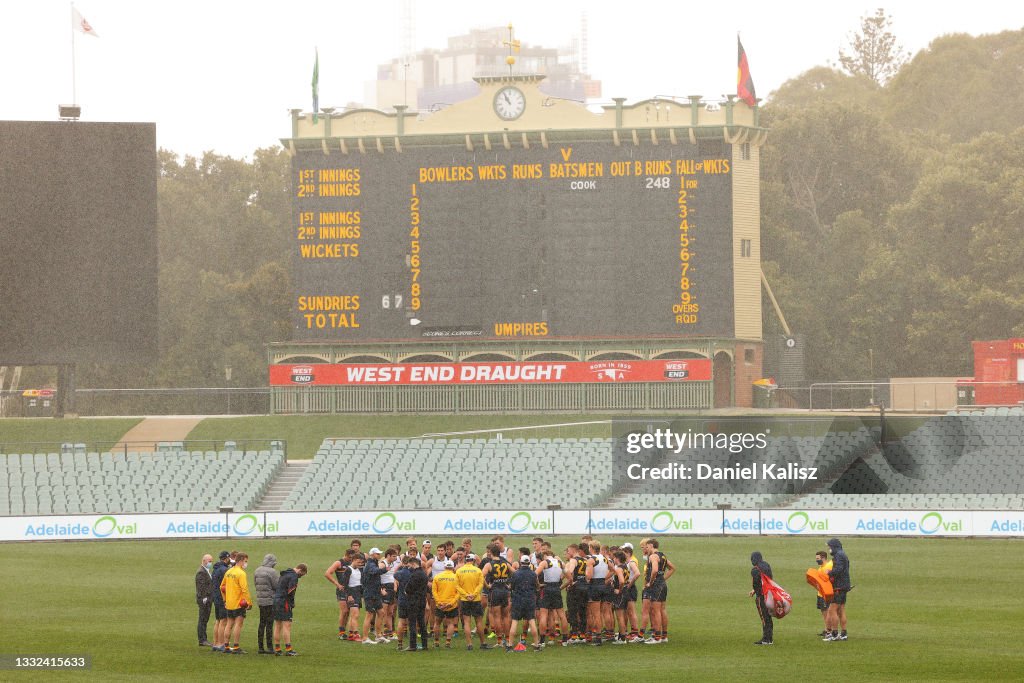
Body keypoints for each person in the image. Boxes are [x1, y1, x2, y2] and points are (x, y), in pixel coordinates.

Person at [641, 538, 674, 644]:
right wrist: (663, 579)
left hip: (656, 585)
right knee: (662, 610)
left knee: (656, 611)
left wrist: (650, 582)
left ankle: (657, 637)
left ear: (651, 545)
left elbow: (654, 570)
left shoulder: (653, 556)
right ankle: (664, 636)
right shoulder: (662, 555)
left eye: (646, 546)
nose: (646, 549)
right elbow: (672, 568)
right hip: (662, 585)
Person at [456, 552, 490, 650]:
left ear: (466, 560)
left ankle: (469, 644)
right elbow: (481, 585)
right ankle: (483, 643)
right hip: (476, 599)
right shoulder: (478, 570)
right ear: (474, 561)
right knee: (479, 622)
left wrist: (466, 595)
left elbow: (457, 586)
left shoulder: (459, 571)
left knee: (466, 622)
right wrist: (474, 594)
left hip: (464, 599)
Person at [535, 548, 569, 647]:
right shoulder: (560, 563)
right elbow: (570, 577)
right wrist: (560, 586)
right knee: (561, 615)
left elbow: (535, 574)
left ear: (545, 555)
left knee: (544, 615)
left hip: (546, 588)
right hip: (556, 589)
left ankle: (542, 641)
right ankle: (565, 640)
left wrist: (538, 585)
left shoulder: (544, 562)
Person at [272, 563, 308, 656]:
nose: (301, 576)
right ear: (300, 570)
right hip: (284, 602)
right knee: (287, 625)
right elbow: (291, 591)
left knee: (277, 625)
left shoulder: (285, 574)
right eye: (302, 574)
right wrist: (292, 603)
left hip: (276, 600)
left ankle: (277, 649)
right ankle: (288, 649)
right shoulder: (294, 576)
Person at [221, 552, 253, 654]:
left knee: (229, 624)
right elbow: (244, 589)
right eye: (245, 561)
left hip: (229, 603)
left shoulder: (229, 571)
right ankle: (236, 646)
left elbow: (222, 587)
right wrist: (249, 602)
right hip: (239, 603)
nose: (246, 563)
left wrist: (225, 599)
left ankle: (226, 646)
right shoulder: (241, 573)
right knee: (238, 624)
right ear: (241, 560)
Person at [508, 555, 541, 652]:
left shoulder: (516, 574)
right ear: (529, 562)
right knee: (531, 621)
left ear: (520, 562)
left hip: (518, 600)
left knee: (514, 622)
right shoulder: (533, 574)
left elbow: (511, 587)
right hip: (529, 600)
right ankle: (536, 645)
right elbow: (537, 586)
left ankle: (510, 645)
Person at [483, 543, 513, 649]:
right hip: (505, 591)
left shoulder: (489, 564)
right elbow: (515, 573)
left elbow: (481, 576)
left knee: (496, 616)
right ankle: (508, 639)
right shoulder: (505, 563)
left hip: (495, 591)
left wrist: (487, 585)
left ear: (491, 553)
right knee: (506, 616)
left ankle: (499, 641)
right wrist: (509, 585)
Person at [324, 549, 356, 641]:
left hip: (352, 590)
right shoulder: (339, 563)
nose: (351, 559)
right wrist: (337, 584)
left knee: (350, 611)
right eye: (349, 557)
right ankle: (341, 632)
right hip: (342, 590)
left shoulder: (352, 563)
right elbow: (327, 573)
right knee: (344, 611)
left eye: (352, 558)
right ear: (345, 555)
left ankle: (349, 631)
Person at [825, 538, 851, 641]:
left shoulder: (838, 555)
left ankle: (835, 634)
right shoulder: (842, 554)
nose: (829, 549)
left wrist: (829, 572)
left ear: (834, 546)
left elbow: (839, 569)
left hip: (839, 586)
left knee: (832, 610)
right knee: (841, 610)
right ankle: (844, 633)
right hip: (844, 585)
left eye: (829, 547)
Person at [254, 553, 280, 654]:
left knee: (262, 623)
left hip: (261, 600)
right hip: (270, 601)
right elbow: (277, 586)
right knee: (269, 624)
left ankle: (260, 647)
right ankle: (269, 647)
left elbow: (255, 584)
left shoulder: (257, 570)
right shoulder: (273, 572)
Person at [431, 559, 460, 648]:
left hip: (440, 605)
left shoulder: (437, 577)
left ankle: (436, 641)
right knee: (451, 623)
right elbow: (458, 592)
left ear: (444, 567)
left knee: (437, 622)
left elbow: (434, 591)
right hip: (451, 605)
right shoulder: (456, 578)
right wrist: (451, 603)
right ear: (452, 567)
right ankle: (448, 642)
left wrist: (439, 603)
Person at [564, 544, 588, 644]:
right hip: (585, 587)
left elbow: (570, 571)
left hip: (575, 588)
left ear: (573, 551)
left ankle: (574, 636)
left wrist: (570, 582)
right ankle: (582, 635)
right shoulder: (586, 560)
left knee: (573, 611)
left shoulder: (573, 560)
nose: (568, 553)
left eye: (568, 551)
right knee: (583, 612)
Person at [361, 547, 386, 644]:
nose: (379, 555)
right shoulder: (370, 564)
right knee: (369, 615)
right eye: (377, 554)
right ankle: (365, 638)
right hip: (370, 593)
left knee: (381, 612)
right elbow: (375, 571)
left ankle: (378, 635)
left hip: (375, 593)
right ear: (372, 554)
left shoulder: (373, 563)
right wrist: (385, 569)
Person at [404, 557, 429, 651]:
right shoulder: (424, 574)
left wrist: (407, 591)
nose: (408, 567)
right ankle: (424, 644)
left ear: (413, 564)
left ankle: (412, 645)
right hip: (422, 600)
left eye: (409, 565)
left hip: (413, 601)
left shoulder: (414, 575)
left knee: (412, 624)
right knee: (422, 623)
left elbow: (408, 589)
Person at [210, 550, 233, 652]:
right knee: (224, 621)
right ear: (226, 558)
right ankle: (221, 644)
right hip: (222, 598)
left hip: (215, 597)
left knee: (218, 621)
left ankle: (215, 643)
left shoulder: (216, 569)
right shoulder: (224, 570)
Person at [749, 551, 773, 645]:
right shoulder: (767, 565)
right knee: (768, 617)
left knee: (764, 617)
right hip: (769, 594)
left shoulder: (755, 569)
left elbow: (756, 584)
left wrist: (755, 591)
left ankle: (766, 639)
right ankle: (770, 638)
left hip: (761, 596)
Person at [195, 554, 214, 647]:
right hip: (204, 600)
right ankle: (202, 639)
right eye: (209, 561)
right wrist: (204, 598)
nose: (210, 563)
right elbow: (201, 587)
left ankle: (203, 638)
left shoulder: (206, 571)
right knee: (202, 619)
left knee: (204, 619)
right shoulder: (201, 572)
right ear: (204, 560)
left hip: (207, 599)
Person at [814, 550, 833, 637]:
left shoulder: (829, 566)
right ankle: (826, 629)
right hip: (820, 594)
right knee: (823, 613)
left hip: (826, 594)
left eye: (818, 559)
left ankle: (829, 630)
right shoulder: (820, 568)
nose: (816, 560)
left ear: (823, 558)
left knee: (827, 614)